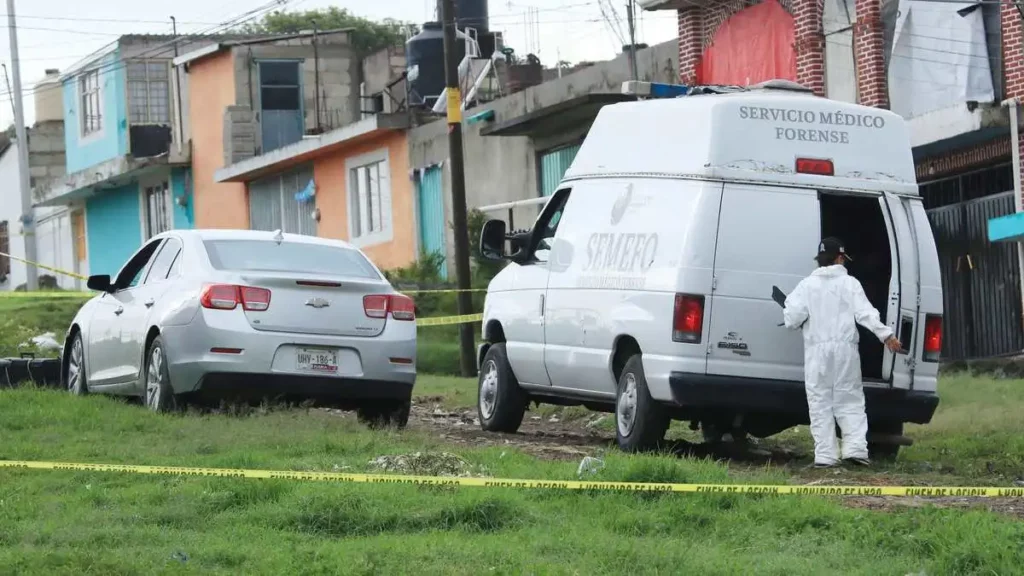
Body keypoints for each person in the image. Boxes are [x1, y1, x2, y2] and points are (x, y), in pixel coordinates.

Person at [782, 237, 901, 468]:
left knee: (820, 402)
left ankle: (826, 456)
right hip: (845, 350)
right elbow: (866, 313)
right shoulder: (850, 284)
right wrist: (886, 335)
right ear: (839, 258)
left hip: (817, 351)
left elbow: (791, 319)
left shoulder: (806, 285)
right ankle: (855, 450)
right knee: (850, 399)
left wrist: (790, 309)